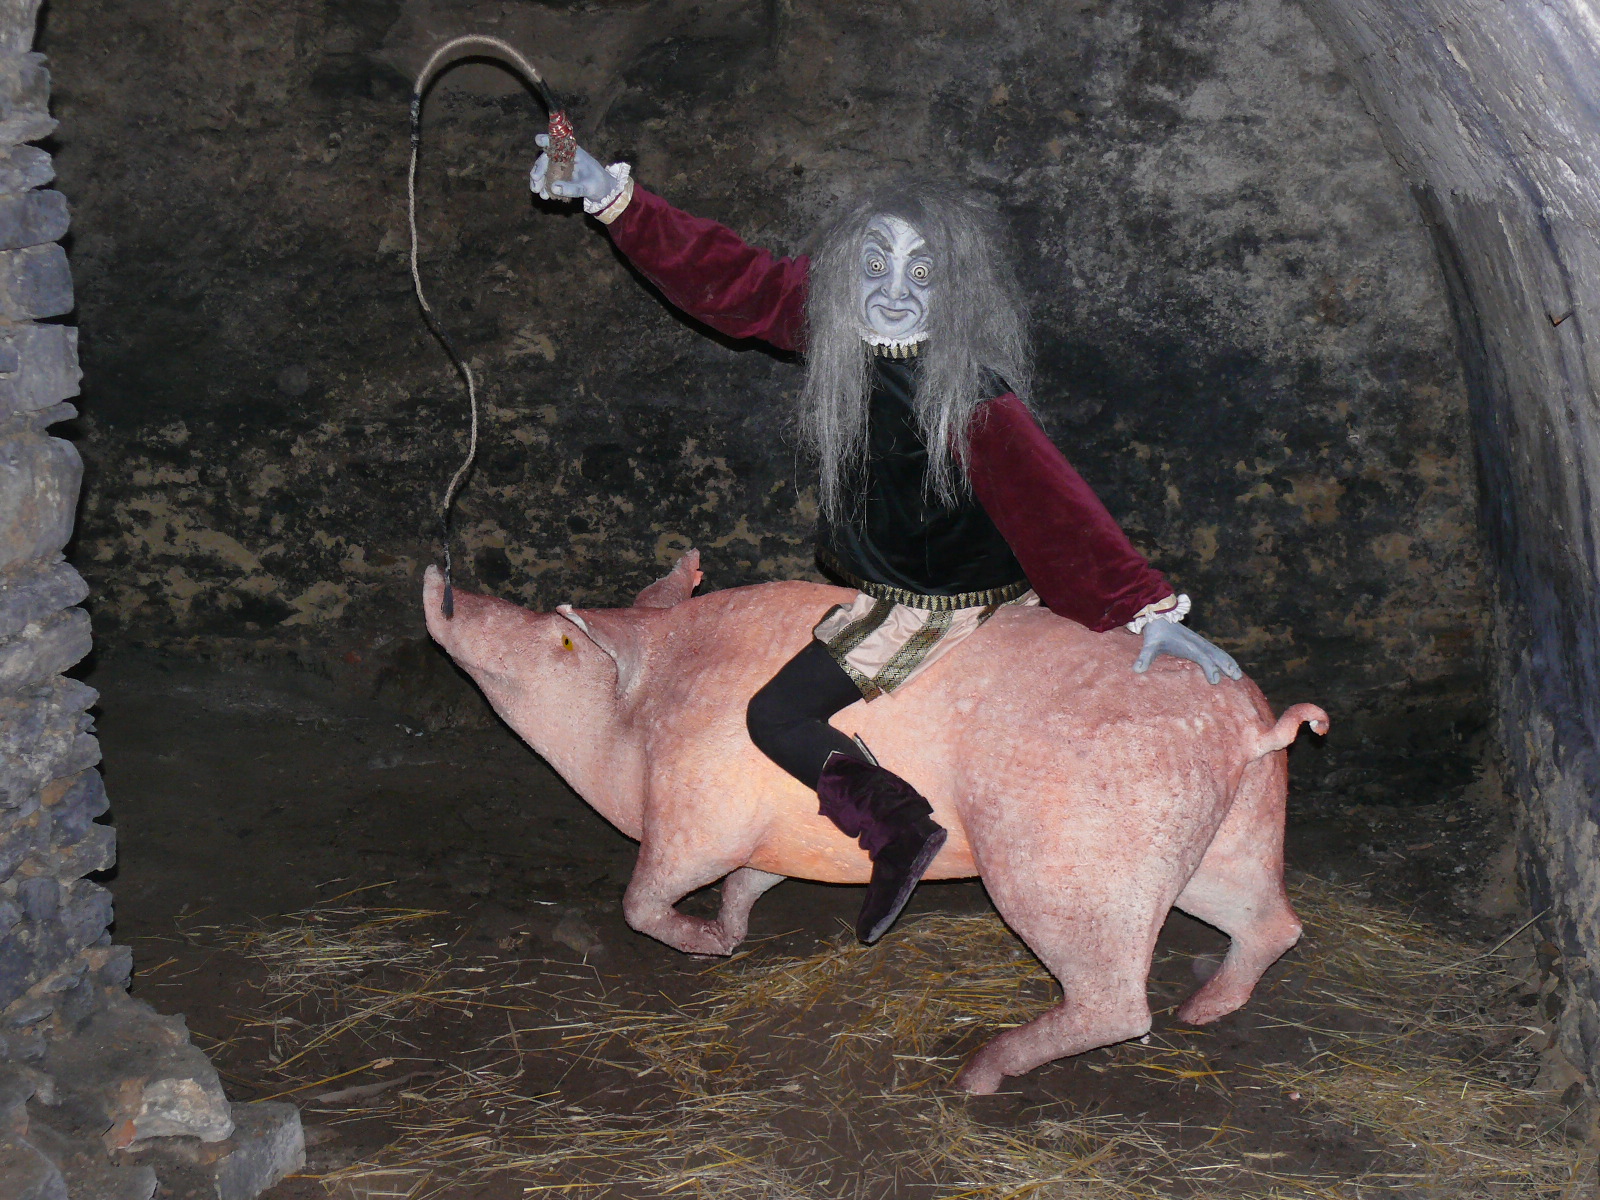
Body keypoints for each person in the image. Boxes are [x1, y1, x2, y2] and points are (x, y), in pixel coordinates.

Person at [530, 138, 1242, 944]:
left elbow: (1054, 504)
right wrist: (613, 198)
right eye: (876, 267)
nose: (894, 293)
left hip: (934, 601)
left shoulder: (971, 399)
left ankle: (898, 825)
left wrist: (1145, 607)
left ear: (955, 290)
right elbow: (726, 278)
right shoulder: (839, 323)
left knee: (777, 716)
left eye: (921, 274)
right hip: (890, 575)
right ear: (845, 275)